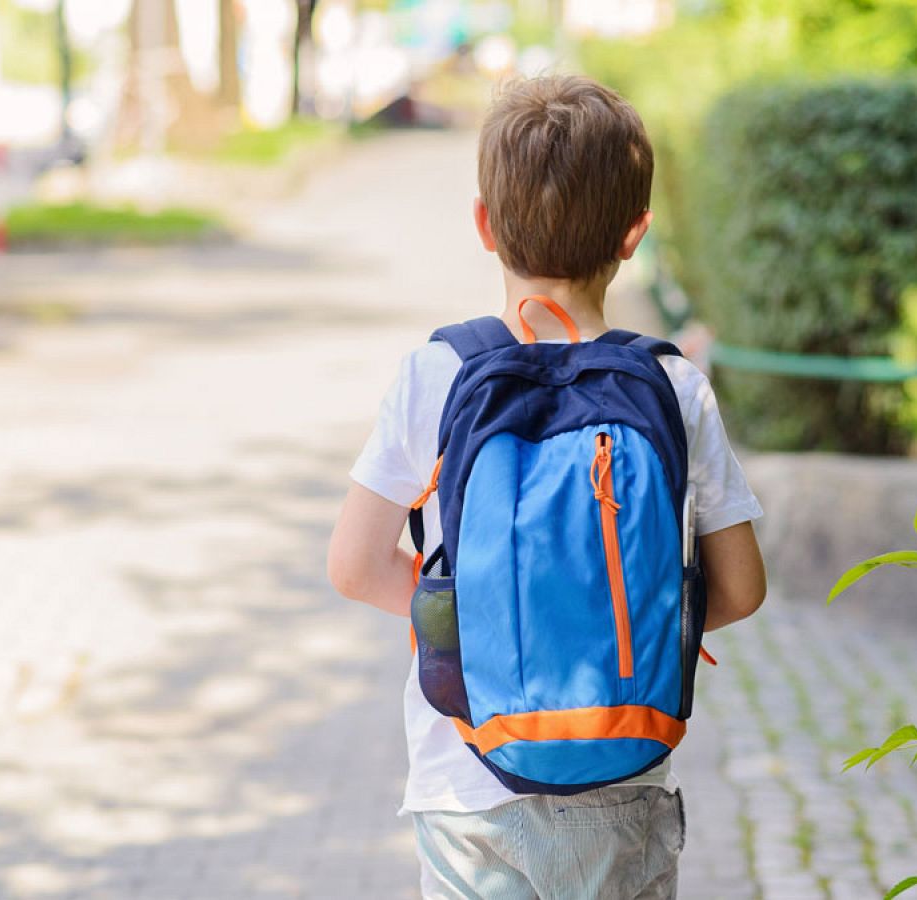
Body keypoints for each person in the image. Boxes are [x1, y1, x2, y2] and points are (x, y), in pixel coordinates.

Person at [328, 74, 767, 899]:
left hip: (466, 783)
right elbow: (741, 587)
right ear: (635, 233)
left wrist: (489, 618)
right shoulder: (674, 387)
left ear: (485, 226)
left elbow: (355, 567)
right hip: (624, 770)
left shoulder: (438, 374)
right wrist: (613, 608)